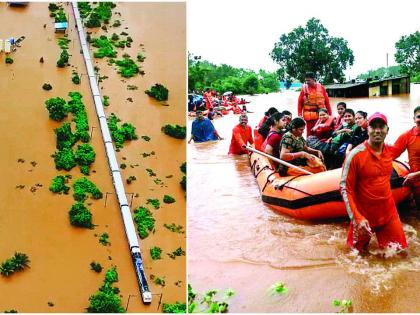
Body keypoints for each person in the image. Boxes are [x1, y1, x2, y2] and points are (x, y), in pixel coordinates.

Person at [340, 112, 407, 253]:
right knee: (354, 257)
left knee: (400, 254)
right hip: (364, 216)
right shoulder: (355, 155)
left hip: (388, 214)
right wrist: (357, 218)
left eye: (381, 127)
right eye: (373, 127)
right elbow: (346, 189)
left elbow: (408, 140)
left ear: (387, 130)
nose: (377, 130)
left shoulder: (390, 151)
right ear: (367, 129)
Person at [391, 106, 420, 208]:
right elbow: (391, 153)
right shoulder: (407, 136)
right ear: (414, 119)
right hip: (417, 185)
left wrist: (417, 174)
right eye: (419, 117)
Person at [297, 72, 332, 136]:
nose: (307, 82)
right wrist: (299, 115)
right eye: (306, 80)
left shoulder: (321, 88)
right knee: (309, 134)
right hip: (309, 116)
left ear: (314, 79)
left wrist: (330, 115)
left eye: (308, 80)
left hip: (320, 116)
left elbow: (327, 102)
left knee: (320, 133)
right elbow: (300, 103)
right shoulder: (304, 89)